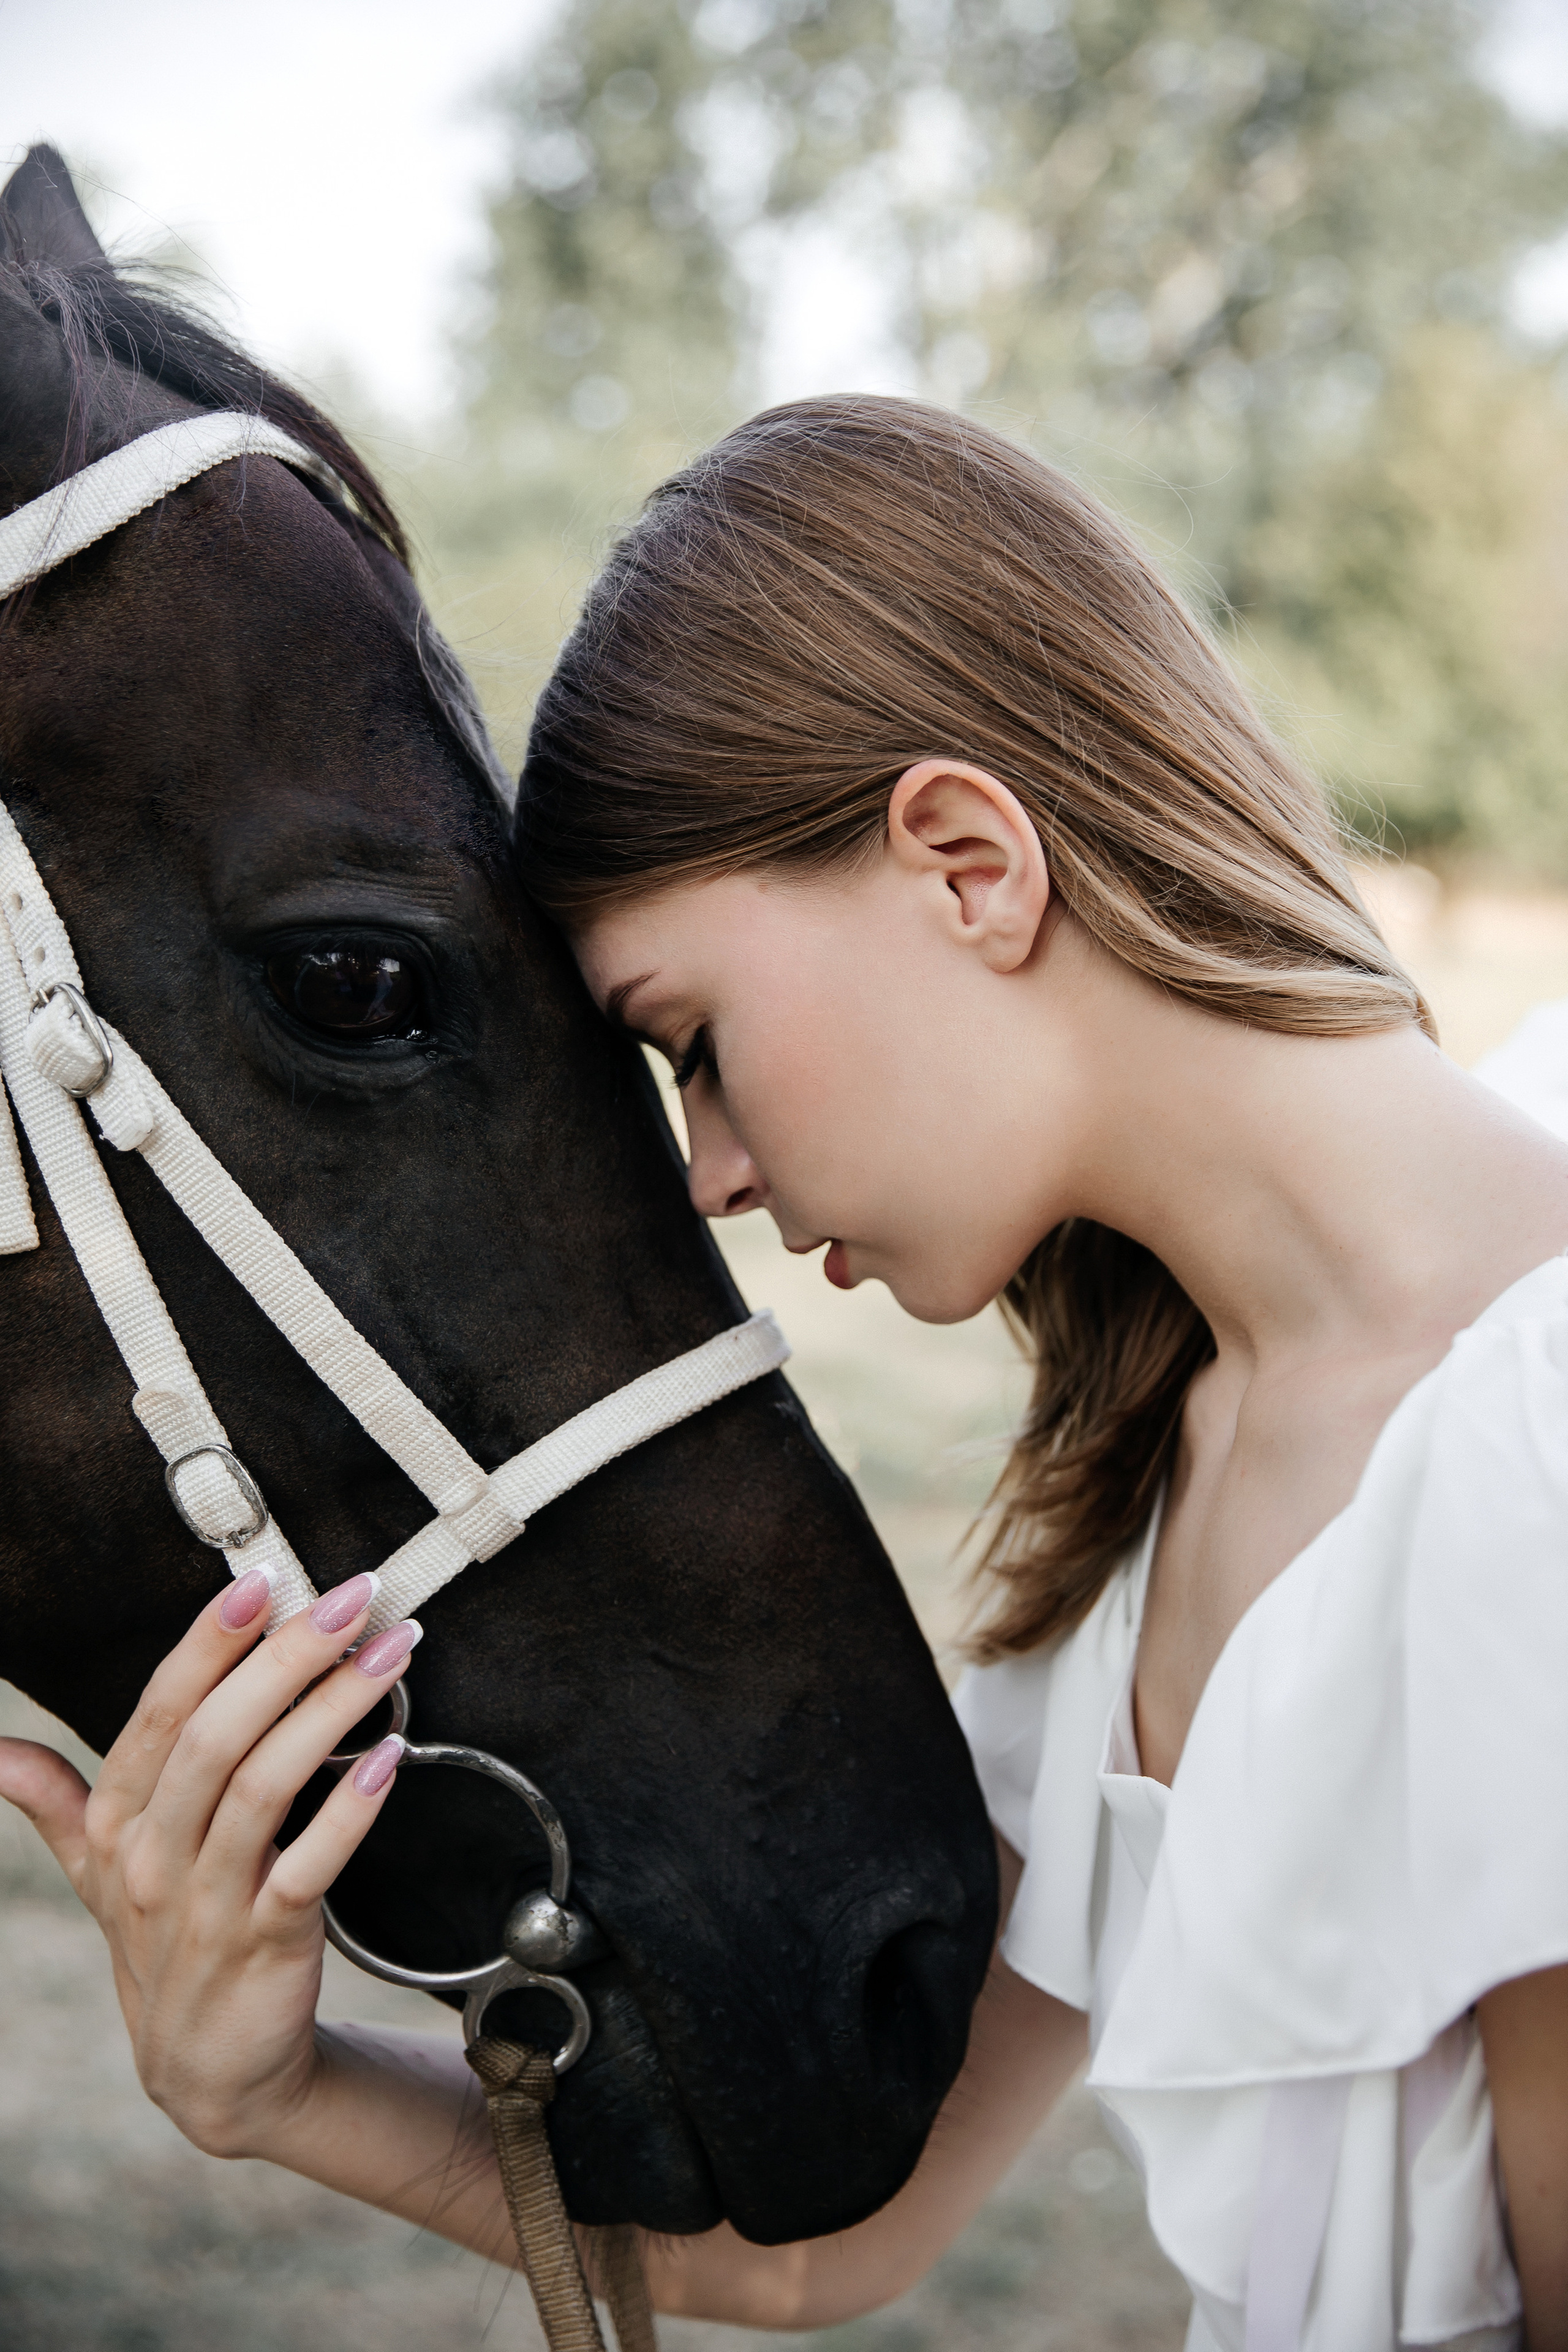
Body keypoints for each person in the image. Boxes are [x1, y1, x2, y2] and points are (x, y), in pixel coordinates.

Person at [3, 395, 1566, 2350]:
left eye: (695, 1045)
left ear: (966, 864)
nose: (714, 1175)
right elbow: (835, 2246)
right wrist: (270, 2092)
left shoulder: (1534, 1467)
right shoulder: (1162, 1477)